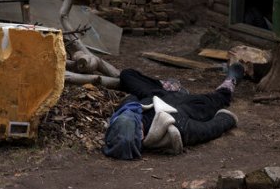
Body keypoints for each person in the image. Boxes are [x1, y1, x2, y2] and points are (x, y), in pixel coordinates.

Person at [102, 63, 244, 160]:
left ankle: (170, 86)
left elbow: (131, 99)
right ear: (141, 135)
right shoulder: (174, 127)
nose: (129, 114)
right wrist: (226, 119)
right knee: (218, 98)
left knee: (127, 75)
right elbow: (207, 130)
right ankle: (230, 82)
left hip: (157, 93)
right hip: (192, 104)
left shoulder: (128, 112)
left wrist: (155, 92)